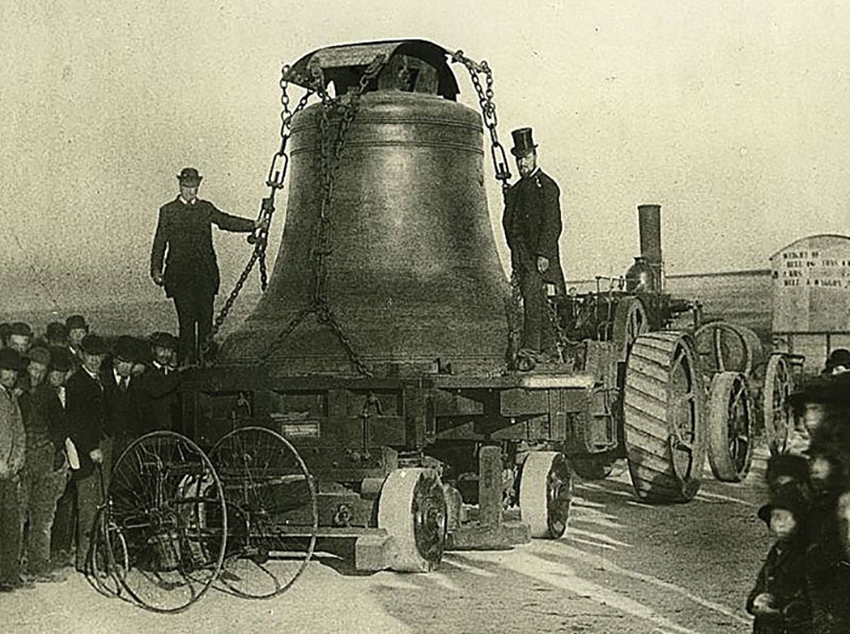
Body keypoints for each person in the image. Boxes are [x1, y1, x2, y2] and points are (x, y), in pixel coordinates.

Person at [150, 167, 266, 365]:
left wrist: (254, 224)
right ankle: (187, 364)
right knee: (186, 324)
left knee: (205, 323)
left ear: (198, 186)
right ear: (180, 185)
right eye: (187, 186)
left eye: (194, 187)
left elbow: (225, 220)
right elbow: (160, 241)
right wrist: (156, 269)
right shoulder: (168, 211)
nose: (191, 190)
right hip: (180, 278)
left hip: (205, 277)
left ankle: (205, 363)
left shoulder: (206, 208)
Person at [502, 128, 565, 370]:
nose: (522, 163)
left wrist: (543, 254)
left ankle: (530, 349)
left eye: (526, 157)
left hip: (538, 256)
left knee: (532, 297)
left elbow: (553, 223)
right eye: (518, 159)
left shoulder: (547, 186)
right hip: (521, 255)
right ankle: (547, 349)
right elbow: (509, 223)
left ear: (535, 156)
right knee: (535, 298)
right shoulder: (516, 190)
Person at [20, 347, 71, 582]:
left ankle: (38, 565)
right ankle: (14, 565)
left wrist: (53, 448)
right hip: (20, 462)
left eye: (41, 370)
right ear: (27, 365)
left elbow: (61, 427)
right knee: (17, 516)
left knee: (42, 517)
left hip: (43, 461)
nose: (37, 374)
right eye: (33, 368)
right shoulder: (16, 393)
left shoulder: (49, 395)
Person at [65, 334, 110, 573]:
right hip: (86, 456)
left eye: (98, 356)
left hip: (101, 450)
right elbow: (73, 424)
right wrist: (90, 448)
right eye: (90, 355)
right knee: (88, 508)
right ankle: (85, 561)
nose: (94, 360)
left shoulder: (97, 380)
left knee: (101, 504)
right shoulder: (76, 383)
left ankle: (98, 557)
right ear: (82, 354)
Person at [747, 478, 812, 633]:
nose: (779, 524)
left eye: (785, 518)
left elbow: (811, 599)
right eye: (775, 517)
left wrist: (779, 612)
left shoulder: (806, 554)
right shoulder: (776, 551)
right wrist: (755, 601)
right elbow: (761, 583)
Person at [0, 348, 28, 591]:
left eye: (13, 371)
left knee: (10, 524)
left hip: (9, 474)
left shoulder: (12, 398)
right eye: (6, 369)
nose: (10, 374)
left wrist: (18, 459)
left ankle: (8, 574)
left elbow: (20, 433)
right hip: (0, 469)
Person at [136, 331, 181, 435]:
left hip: (171, 432)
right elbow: (157, 390)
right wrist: (176, 372)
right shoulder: (146, 371)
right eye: (161, 350)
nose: (165, 354)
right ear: (153, 350)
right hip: (150, 432)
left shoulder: (170, 373)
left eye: (169, 350)